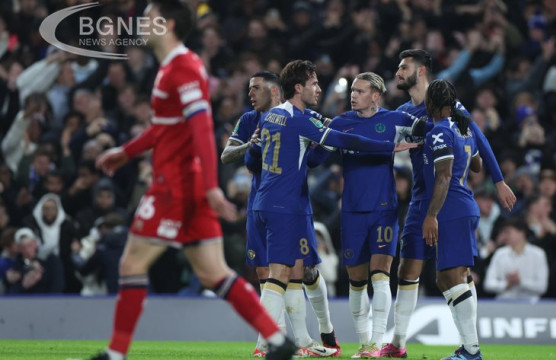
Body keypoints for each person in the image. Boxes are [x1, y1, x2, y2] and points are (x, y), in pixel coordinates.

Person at [80, 2, 296, 360]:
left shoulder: (180, 68)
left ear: (168, 24)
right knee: (214, 273)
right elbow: (164, 127)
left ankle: (116, 353)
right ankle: (277, 341)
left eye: (148, 20)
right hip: (189, 185)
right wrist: (126, 152)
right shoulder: (176, 67)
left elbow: (202, 127)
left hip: (174, 186)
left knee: (131, 265)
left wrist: (212, 187)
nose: (141, 25)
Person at [250, 60, 416, 360]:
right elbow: (341, 140)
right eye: (314, 83)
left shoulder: (271, 116)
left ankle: (302, 339)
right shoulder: (303, 121)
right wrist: (388, 147)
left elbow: (300, 155)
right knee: (279, 275)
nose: (319, 88)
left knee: (294, 272)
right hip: (285, 204)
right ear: (299, 87)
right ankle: (266, 344)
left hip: (266, 202)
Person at [383, 49, 515, 358]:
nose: (399, 72)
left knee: (453, 275)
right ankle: (399, 344)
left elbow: (479, 142)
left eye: (404, 67)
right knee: (410, 269)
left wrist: (499, 180)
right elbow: (473, 154)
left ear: (422, 71)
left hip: (445, 202)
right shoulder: (406, 112)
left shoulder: (450, 111)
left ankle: (471, 348)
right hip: (421, 200)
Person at [221, 70, 339, 357]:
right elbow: (228, 156)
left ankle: (321, 332)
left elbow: (313, 159)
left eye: (256, 88)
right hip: (262, 204)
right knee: (269, 272)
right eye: (249, 88)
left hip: (295, 206)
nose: (250, 94)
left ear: (275, 92)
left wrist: (325, 143)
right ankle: (287, 341)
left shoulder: (298, 118)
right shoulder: (250, 120)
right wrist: (254, 143)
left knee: (304, 270)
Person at [325, 72, 428, 358]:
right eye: (352, 91)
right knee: (356, 281)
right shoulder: (341, 123)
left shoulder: (395, 120)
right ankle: (364, 343)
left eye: (360, 91)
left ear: (375, 95)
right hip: (352, 211)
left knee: (380, 274)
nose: (353, 95)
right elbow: (316, 156)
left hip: (384, 209)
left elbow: (428, 130)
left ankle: (376, 343)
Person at [421, 79, 483, 360]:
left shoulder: (439, 131)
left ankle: (471, 350)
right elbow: (478, 166)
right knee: (446, 277)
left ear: (431, 103)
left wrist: (431, 215)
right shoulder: (464, 128)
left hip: (452, 207)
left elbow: (444, 176)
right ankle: (467, 346)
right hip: (466, 204)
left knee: (453, 276)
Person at [483, 218, 549, 300]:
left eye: (508, 232)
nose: (505, 236)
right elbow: (488, 284)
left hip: (531, 306)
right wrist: (506, 285)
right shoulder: (499, 254)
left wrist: (521, 282)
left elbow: (542, 287)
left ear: (521, 233)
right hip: (504, 304)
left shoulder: (538, 254)